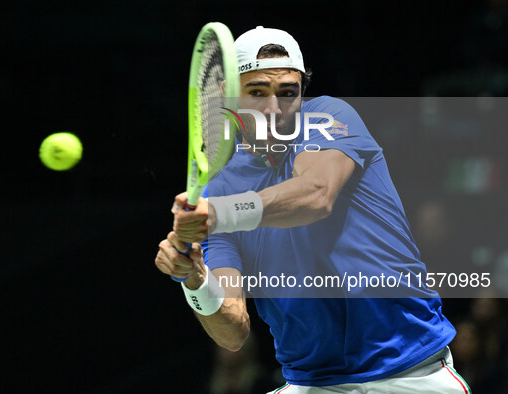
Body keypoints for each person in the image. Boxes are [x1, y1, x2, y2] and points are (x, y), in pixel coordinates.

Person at [155, 26, 471, 393]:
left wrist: (219, 214)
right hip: (313, 383)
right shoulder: (220, 188)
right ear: (227, 95)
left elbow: (316, 195)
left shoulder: (328, 117)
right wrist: (194, 279)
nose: (273, 109)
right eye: (256, 92)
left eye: (287, 93)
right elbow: (232, 330)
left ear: (303, 93)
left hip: (411, 373)